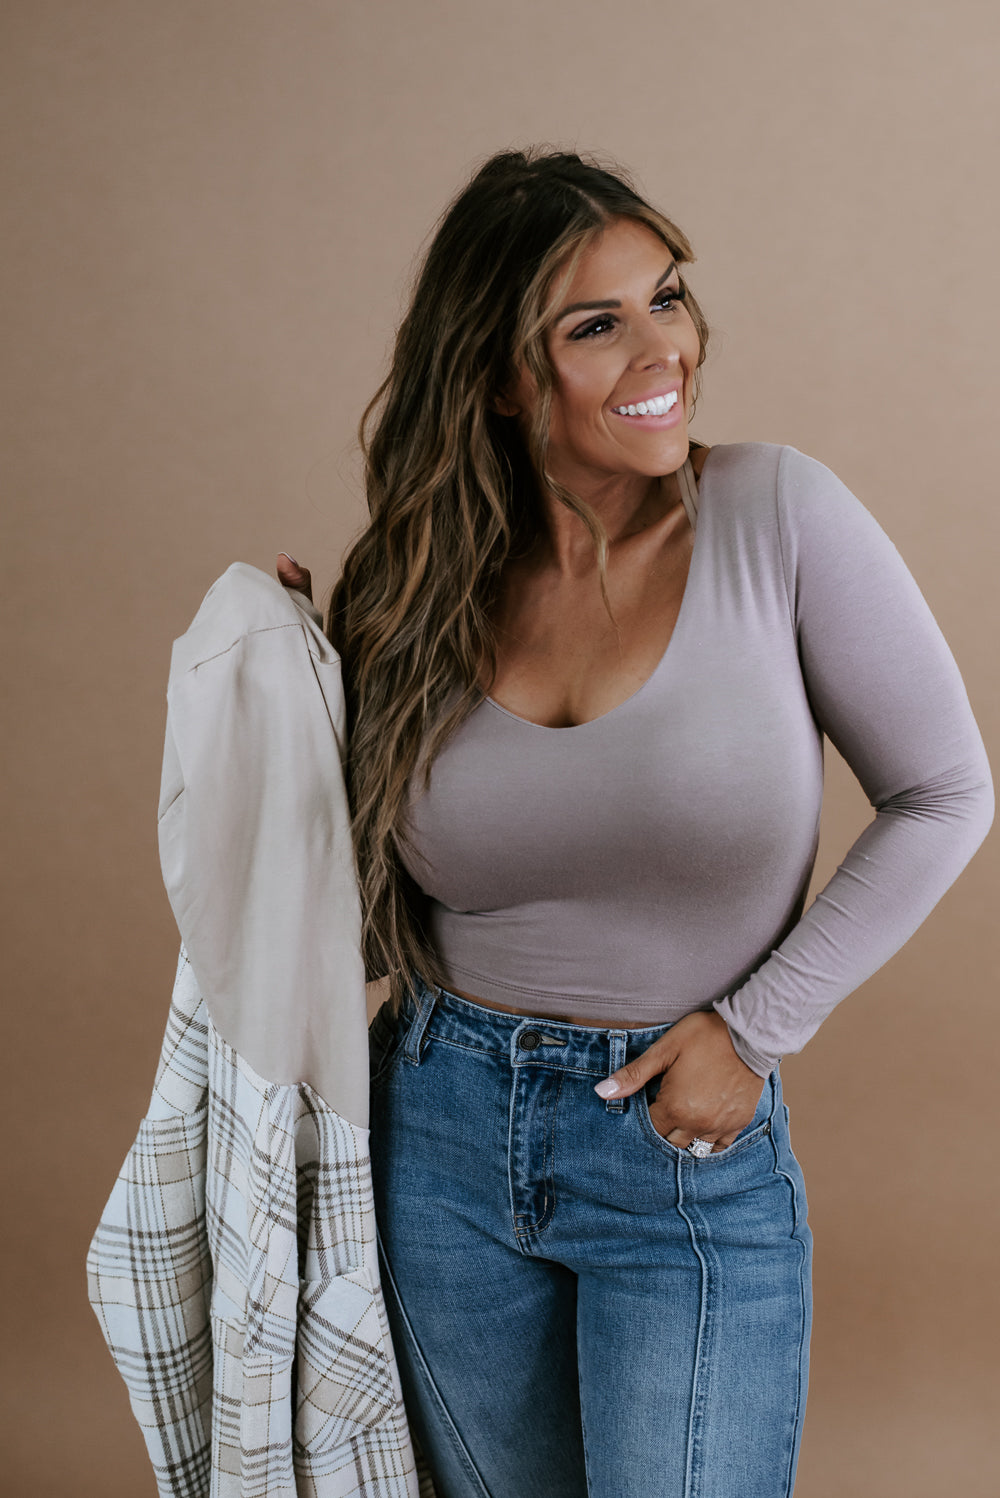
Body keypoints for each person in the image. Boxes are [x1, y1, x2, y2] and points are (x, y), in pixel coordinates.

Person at [275, 149, 993, 1498]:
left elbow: (948, 792)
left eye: (666, 298)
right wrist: (276, 690)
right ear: (500, 376)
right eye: (595, 325)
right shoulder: (414, 586)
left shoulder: (776, 516)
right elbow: (359, 910)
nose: (664, 349)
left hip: (675, 1147)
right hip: (439, 1134)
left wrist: (757, 1029)